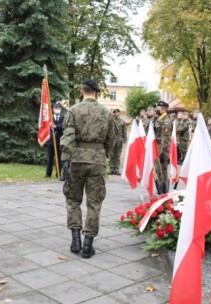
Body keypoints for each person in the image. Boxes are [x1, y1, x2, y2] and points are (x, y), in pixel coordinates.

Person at [60, 79, 116, 259]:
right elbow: (111, 139)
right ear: (96, 93)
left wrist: (66, 159)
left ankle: (75, 240)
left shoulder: (73, 110)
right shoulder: (106, 113)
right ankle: (87, 244)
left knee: (73, 199)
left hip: (76, 159)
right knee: (94, 202)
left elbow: (67, 137)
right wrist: (103, 153)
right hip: (97, 161)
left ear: (82, 91)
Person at [154, 100, 172, 195]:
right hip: (157, 147)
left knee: (162, 169)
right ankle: (160, 189)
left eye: (159, 107)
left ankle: (164, 190)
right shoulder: (160, 118)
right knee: (158, 169)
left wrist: (162, 152)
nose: (157, 108)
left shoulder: (166, 121)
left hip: (162, 148)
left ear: (164, 108)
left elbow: (165, 138)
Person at [45, 102, 64, 179]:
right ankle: (48, 174)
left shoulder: (64, 117)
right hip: (51, 141)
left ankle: (58, 173)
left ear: (60, 109)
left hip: (59, 141)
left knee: (59, 158)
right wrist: (50, 125)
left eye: (58, 107)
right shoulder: (50, 118)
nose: (57, 109)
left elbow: (64, 125)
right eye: (56, 107)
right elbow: (46, 126)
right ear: (53, 109)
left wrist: (56, 126)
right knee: (49, 158)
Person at [109, 109, 127, 175]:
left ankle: (116, 169)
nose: (116, 113)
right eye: (115, 112)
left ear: (119, 113)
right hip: (112, 140)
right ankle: (111, 168)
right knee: (111, 155)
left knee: (117, 155)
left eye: (118, 112)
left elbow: (124, 131)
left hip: (119, 140)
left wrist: (125, 140)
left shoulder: (122, 121)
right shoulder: (111, 120)